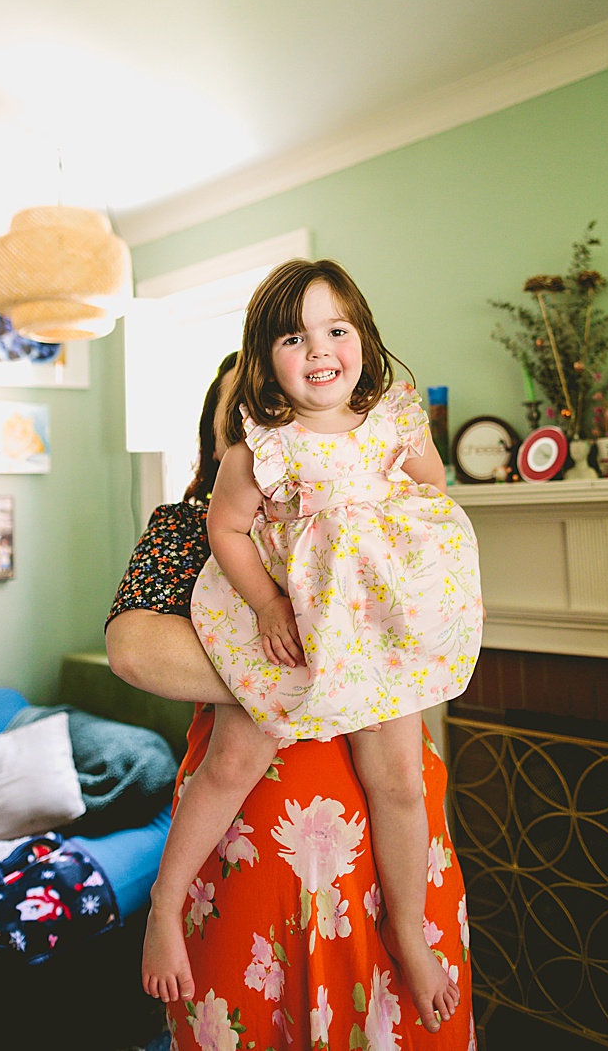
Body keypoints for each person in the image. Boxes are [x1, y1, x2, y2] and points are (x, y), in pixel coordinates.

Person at [141, 260, 482, 1031]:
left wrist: (404, 565)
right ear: (266, 361)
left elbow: (434, 499)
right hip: (290, 621)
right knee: (233, 758)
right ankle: (164, 904)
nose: (320, 349)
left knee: (399, 775)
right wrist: (266, 604)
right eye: (295, 337)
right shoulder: (261, 448)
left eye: (336, 329)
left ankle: (407, 926)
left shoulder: (396, 420)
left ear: (363, 338)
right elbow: (224, 529)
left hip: (368, 622)